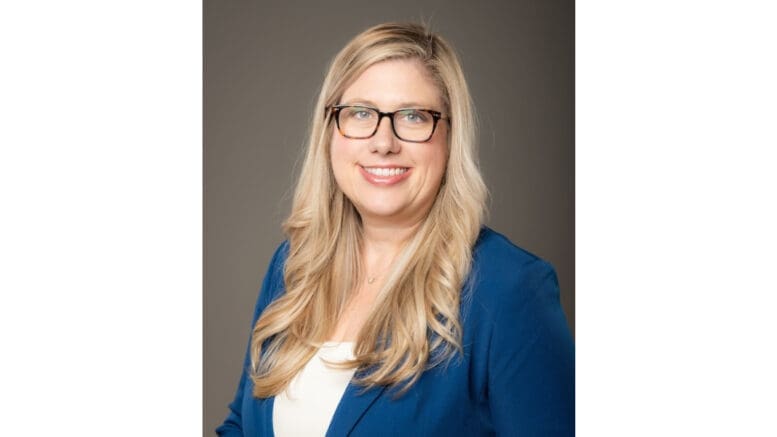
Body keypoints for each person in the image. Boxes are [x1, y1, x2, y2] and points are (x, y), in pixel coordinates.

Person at [217, 22, 574, 436]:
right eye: (361, 113)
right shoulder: (294, 266)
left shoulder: (509, 290)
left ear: (449, 138)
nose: (383, 141)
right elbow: (243, 425)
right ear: (330, 132)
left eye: (413, 116)